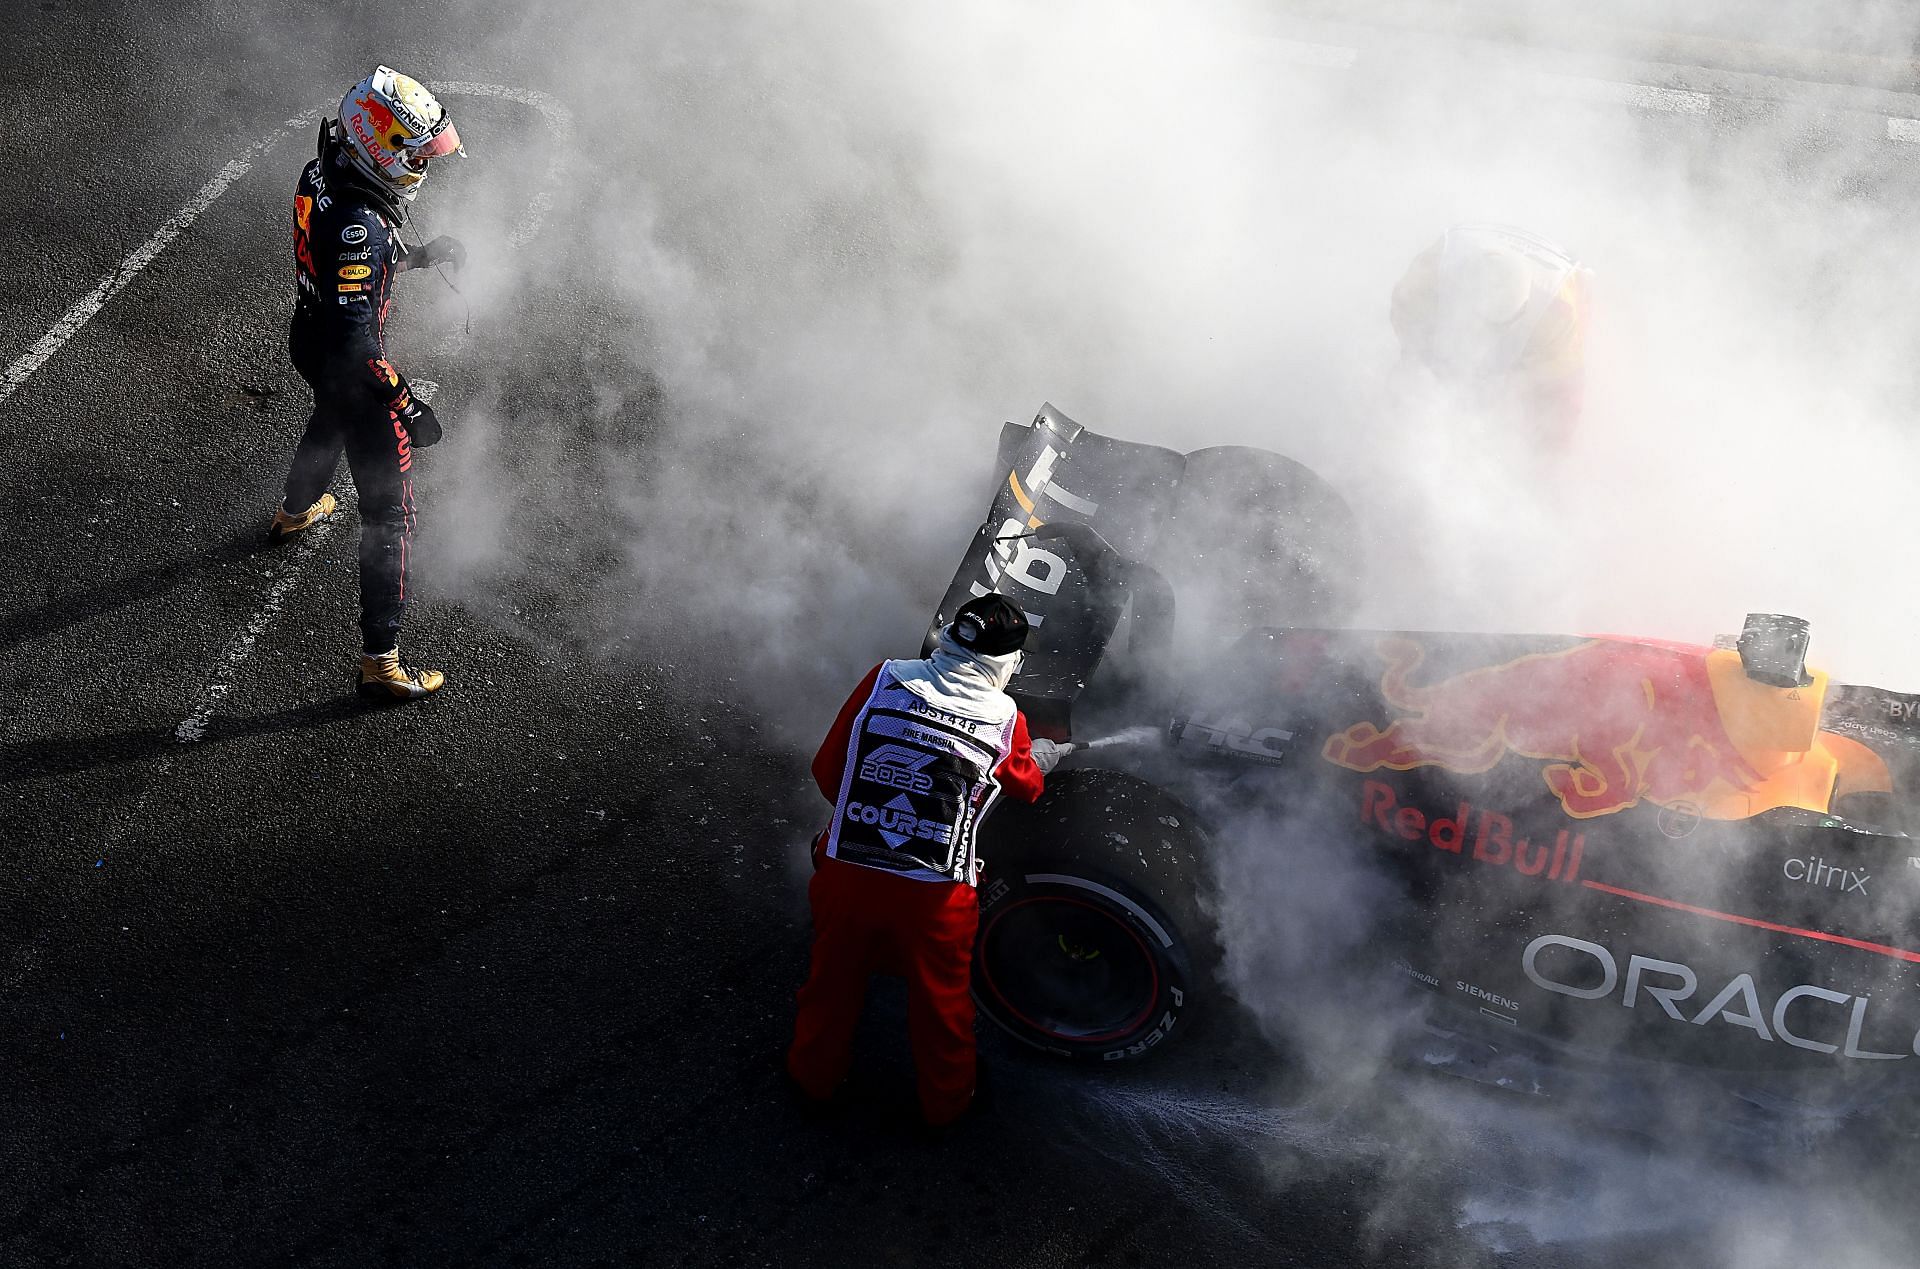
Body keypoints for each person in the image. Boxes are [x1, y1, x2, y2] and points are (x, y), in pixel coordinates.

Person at [787, 594, 1069, 1126]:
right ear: (1006, 661)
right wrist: (1044, 757)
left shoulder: (883, 677)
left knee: (831, 982)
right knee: (941, 1005)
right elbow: (1027, 787)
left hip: (846, 876)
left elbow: (829, 772)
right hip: (934, 898)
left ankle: (812, 1080)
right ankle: (946, 1106)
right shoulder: (1005, 717)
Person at [267, 66, 468, 699]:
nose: (422, 169)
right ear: (379, 148)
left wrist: (416, 256)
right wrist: (406, 402)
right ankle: (382, 666)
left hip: (310, 337)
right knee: (390, 513)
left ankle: (294, 513)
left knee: (326, 418)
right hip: (351, 365)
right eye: (415, 156)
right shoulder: (365, 225)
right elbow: (360, 341)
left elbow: (341, 267)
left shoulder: (323, 170)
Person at [1389, 224, 1593, 449]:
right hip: (1473, 254)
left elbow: (1562, 394)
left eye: (1498, 329)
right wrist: (1423, 376)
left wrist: (1550, 456)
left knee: (1539, 394)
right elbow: (1407, 327)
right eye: (1481, 326)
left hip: (1562, 282)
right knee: (1416, 374)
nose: (1487, 339)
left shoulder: (1558, 313)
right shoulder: (1431, 273)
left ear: (1522, 312)